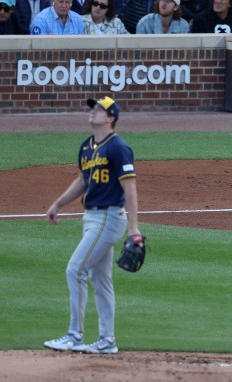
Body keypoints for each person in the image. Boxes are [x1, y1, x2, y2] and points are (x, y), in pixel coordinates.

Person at [43, 96, 143, 354]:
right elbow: (83, 180)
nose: (93, 112)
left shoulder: (118, 147)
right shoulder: (87, 147)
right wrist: (58, 203)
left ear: (111, 118)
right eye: (93, 108)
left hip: (109, 218)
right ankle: (107, 341)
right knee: (101, 281)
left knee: (75, 270)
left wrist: (134, 229)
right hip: (91, 218)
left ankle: (74, 335)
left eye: (99, 109)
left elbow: (129, 187)